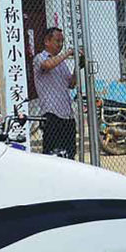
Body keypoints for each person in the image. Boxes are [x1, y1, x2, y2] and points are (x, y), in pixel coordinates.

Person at [33, 27, 80, 159]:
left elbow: (71, 84)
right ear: (47, 41)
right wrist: (67, 53)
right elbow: (47, 66)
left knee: (69, 154)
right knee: (52, 154)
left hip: (67, 113)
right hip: (51, 113)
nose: (60, 45)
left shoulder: (61, 63)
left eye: (62, 42)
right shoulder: (40, 58)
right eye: (57, 41)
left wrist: (77, 67)